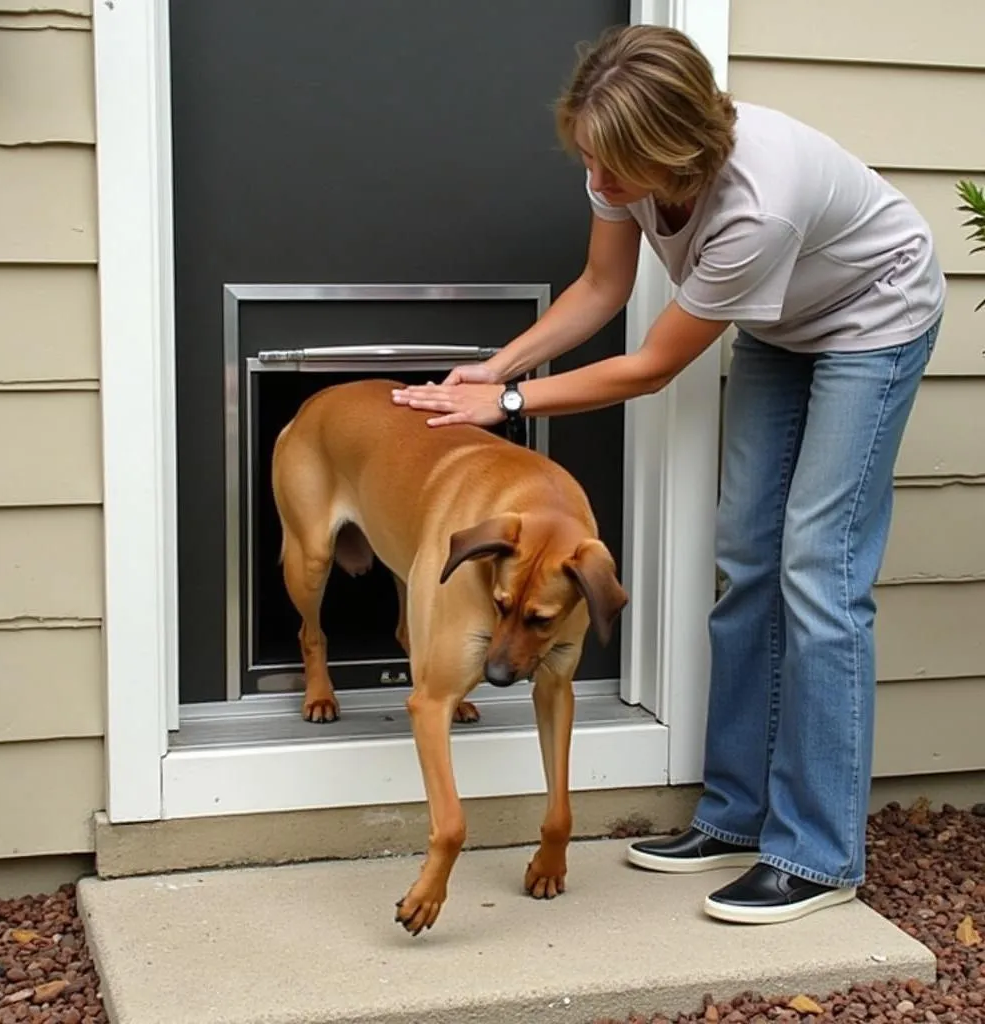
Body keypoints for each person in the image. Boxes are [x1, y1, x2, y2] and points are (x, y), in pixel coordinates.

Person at [390, 23, 945, 925]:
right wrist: (496, 370)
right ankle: (733, 818)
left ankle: (818, 852)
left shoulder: (760, 205)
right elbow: (601, 289)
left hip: (874, 317)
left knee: (818, 568)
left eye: (615, 171)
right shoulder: (618, 159)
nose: (599, 185)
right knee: (747, 557)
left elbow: (650, 365)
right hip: (788, 321)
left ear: (678, 154)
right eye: (590, 162)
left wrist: (518, 407)